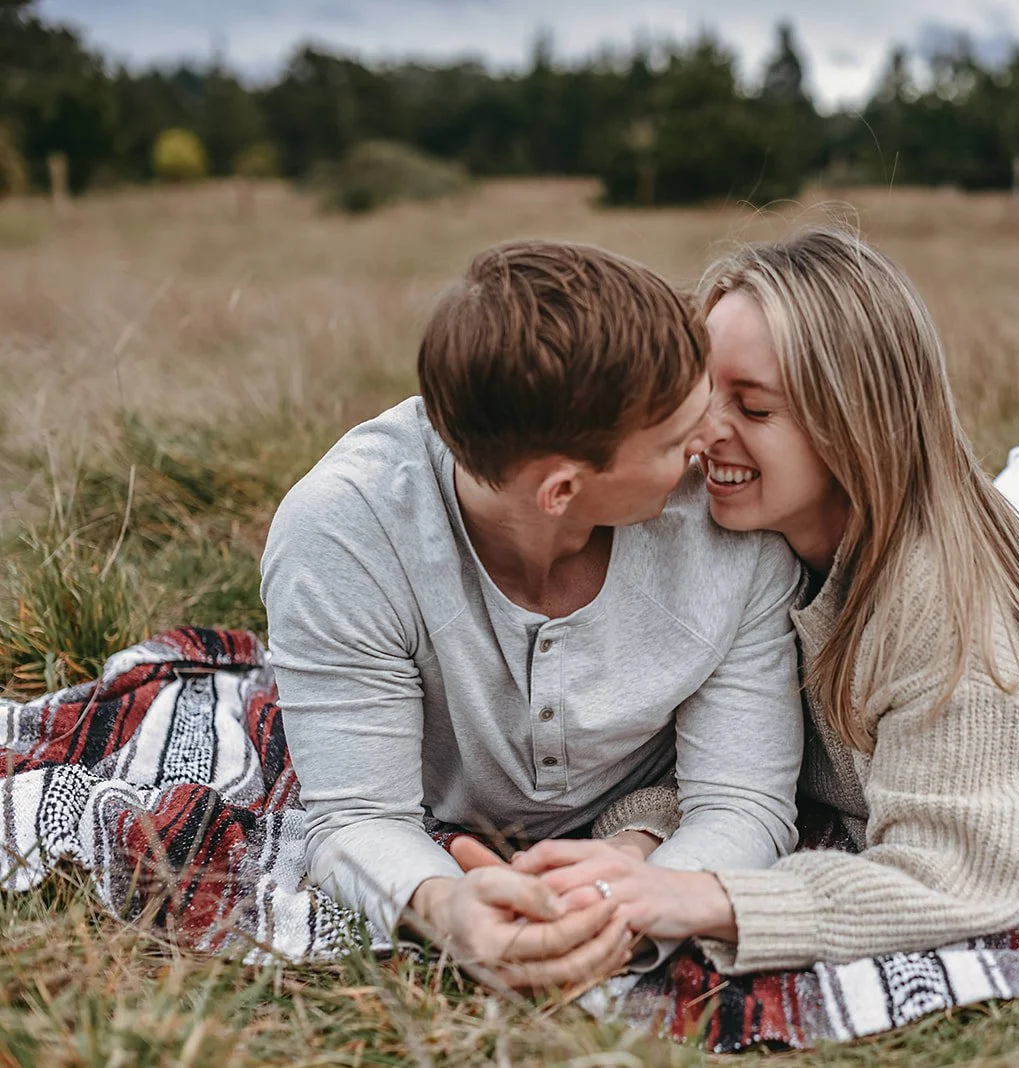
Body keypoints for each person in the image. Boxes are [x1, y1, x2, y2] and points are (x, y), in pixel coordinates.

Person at [514, 227, 1019, 973]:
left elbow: (962, 872)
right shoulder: (740, 520)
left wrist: (703, 899)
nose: (701, 436)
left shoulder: (956, 620)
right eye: (704, 394)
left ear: (855, 422)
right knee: (1006, 506)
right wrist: (639, 844)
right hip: (943, 547)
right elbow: (712, 751)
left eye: (755, 409)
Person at [260, 240, 806, 989]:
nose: (710, 447)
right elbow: (356, 817)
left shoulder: (735, 531)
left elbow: (742, 800)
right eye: (676, 441)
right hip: (446, 825)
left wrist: (636, 900)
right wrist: (446, 910)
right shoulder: (343, 531)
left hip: (651, 820)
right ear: (560, 491)